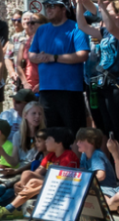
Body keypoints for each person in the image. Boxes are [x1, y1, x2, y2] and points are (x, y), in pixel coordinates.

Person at [26, 0, 90, 130]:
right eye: (46, 6)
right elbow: (31, 55)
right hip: (46, 90)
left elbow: (83, 55)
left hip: (70, 90)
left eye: (52, 6)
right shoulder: (42, 30)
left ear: (63, 9)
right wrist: (40, 57)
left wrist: (54, 57)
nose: (48, 9)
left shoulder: (76, 28)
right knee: (50, 134)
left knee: (73, 133)